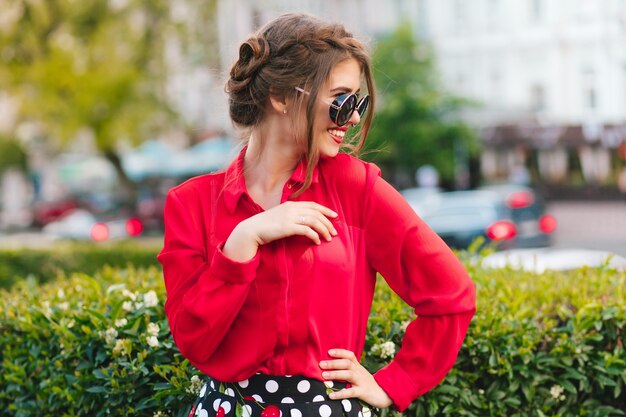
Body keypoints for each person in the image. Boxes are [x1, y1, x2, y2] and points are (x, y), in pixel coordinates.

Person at [158, 13, 476, 417]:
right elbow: (193, 340)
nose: (354, 118)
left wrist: (394, 383)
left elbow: (451, 295)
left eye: (357, 102)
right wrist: (242, 242)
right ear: (280, 95)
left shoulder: (357, 188)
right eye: (342, 100)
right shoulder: (191, 204)